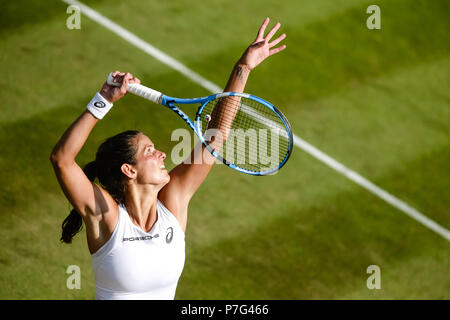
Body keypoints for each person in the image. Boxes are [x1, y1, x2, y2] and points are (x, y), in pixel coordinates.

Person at [50, 18, 286, 300]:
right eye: (149, 151)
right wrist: (103, 99)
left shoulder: (172, 205)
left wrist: (243, 67)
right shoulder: (106, 216)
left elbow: (216, 136)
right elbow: (62, 160)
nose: (162, 153)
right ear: (129, 170)